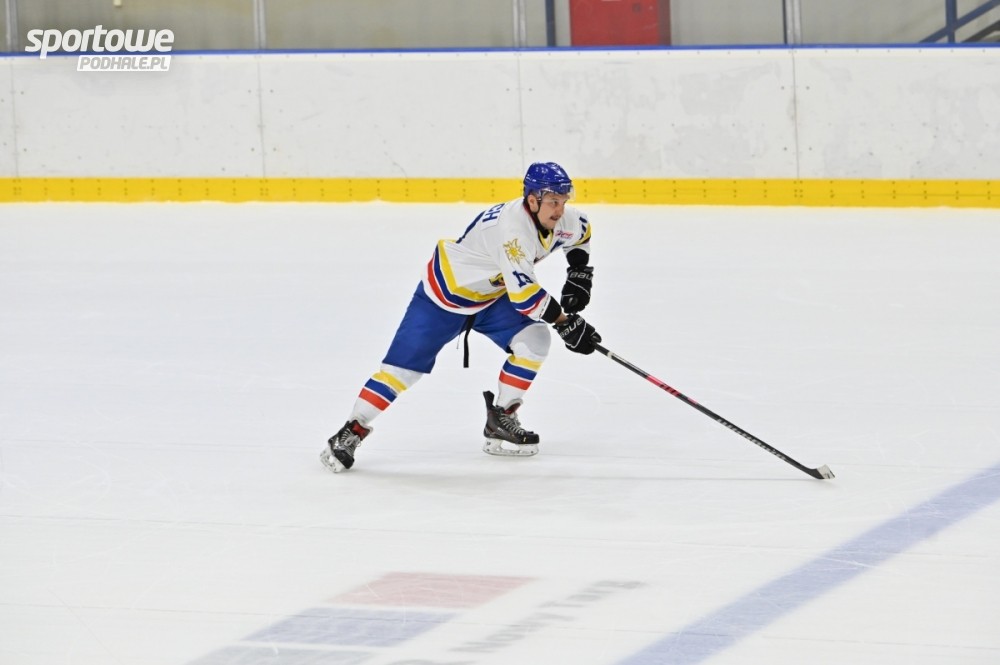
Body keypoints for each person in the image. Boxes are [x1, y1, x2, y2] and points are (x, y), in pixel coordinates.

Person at [320, 162, 602, 473]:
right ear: (532, 200)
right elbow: (525, 297)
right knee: (400, 373)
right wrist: (564, 323)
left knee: (535, 341)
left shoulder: (563, 217)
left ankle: (501, 417)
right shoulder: (512, 232)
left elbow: (582, 233)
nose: (560, 209)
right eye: (553, 202)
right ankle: (351, 430)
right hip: (444, 298)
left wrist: (579, 272)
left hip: (490, 298)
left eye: (563, 201)